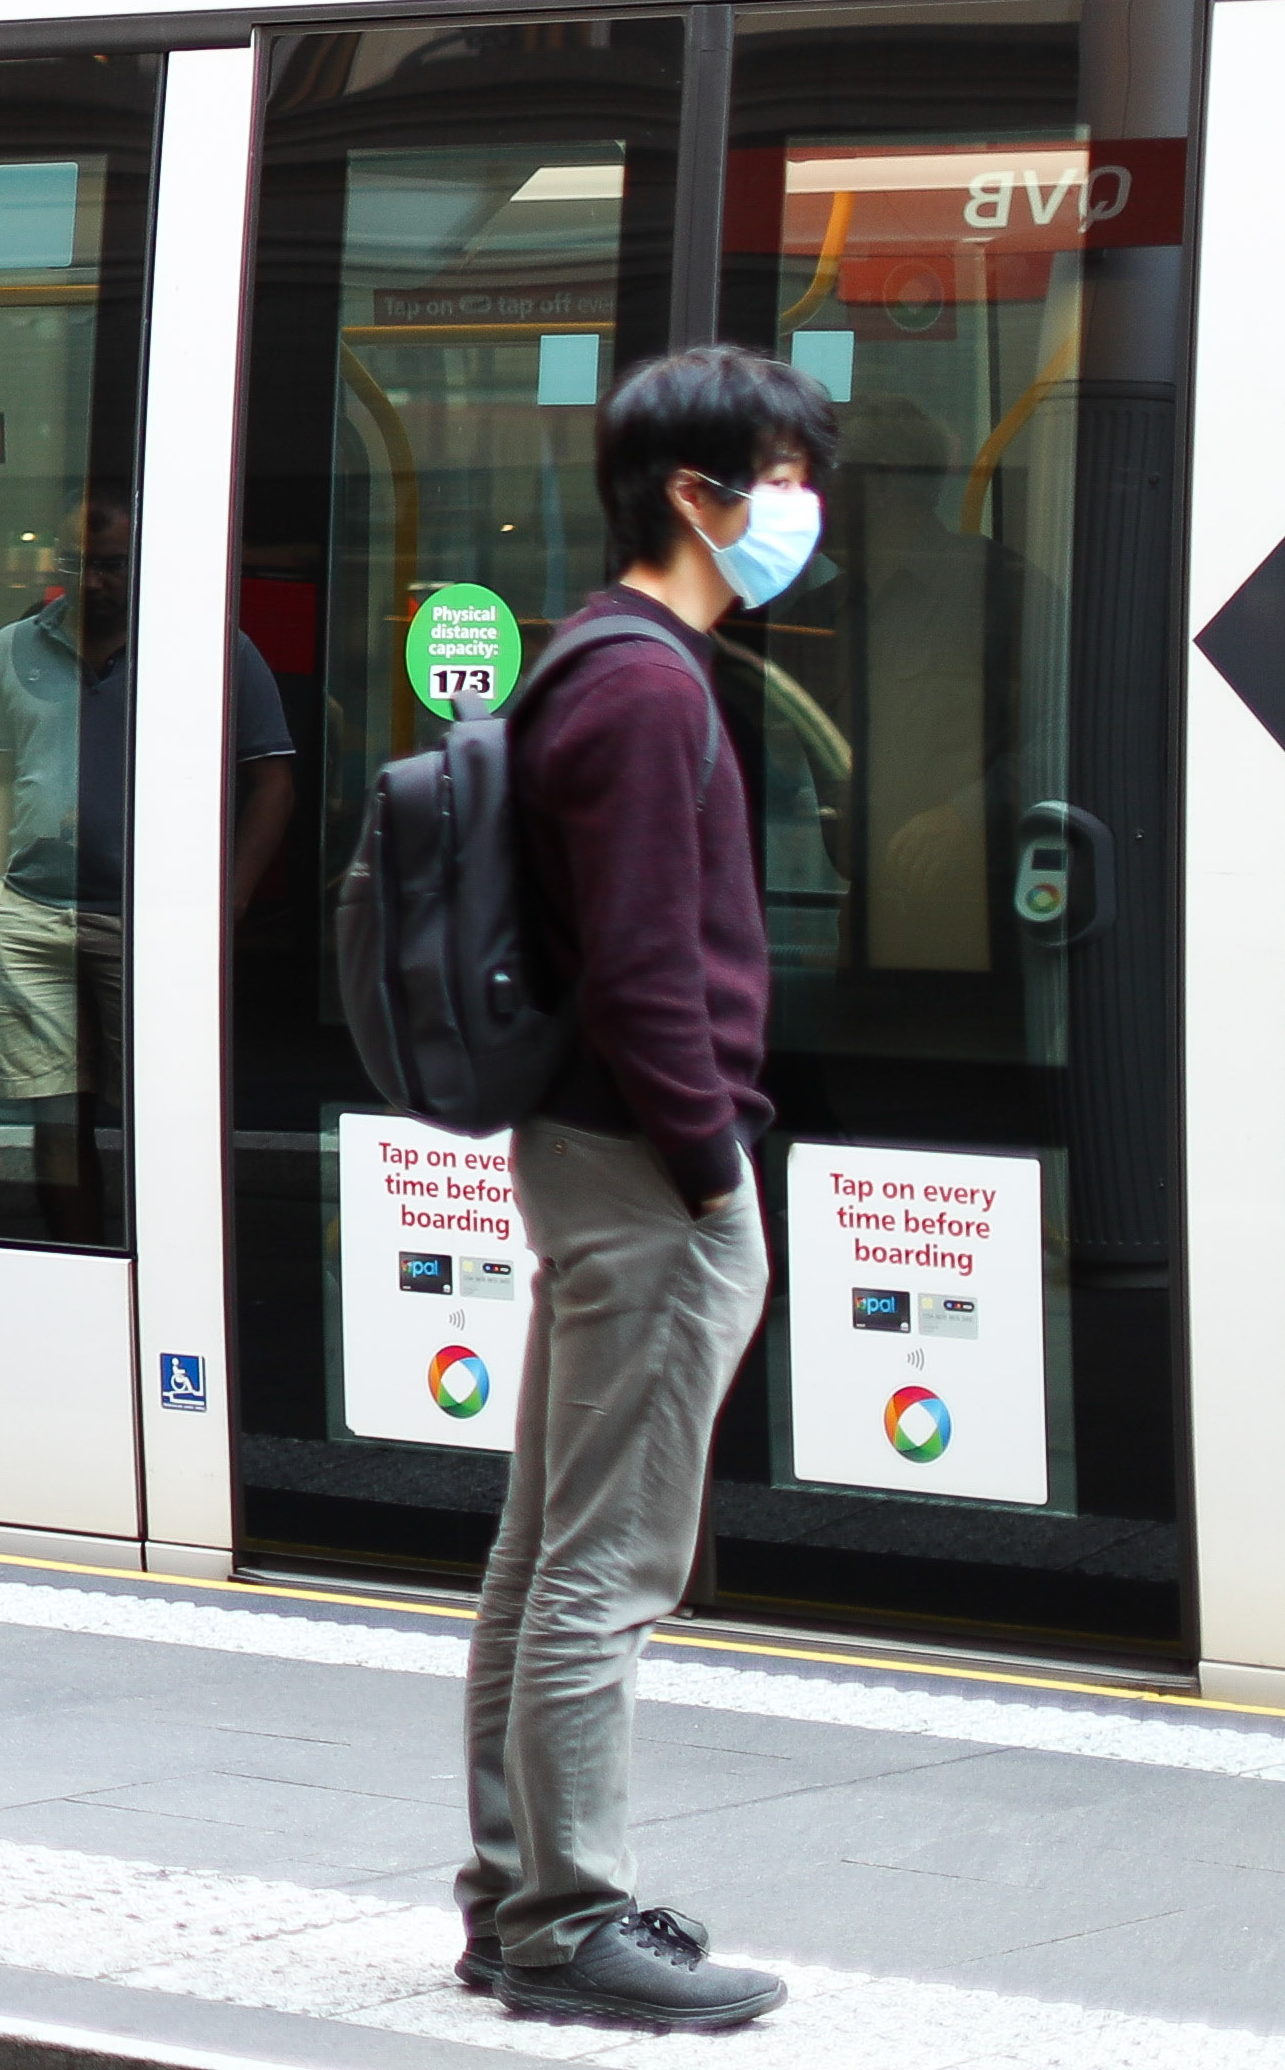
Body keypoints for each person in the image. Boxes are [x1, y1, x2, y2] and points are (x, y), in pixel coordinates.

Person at [453, 344, 831, 2032]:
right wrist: (710, 1169)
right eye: (780, 475)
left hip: (598, 1161)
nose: (796, 512)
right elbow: (640, 969)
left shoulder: (594, 663)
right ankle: (562, 1921)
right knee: (603, 1568)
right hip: (641, 1172)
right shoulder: (644, 682)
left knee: (543, 1556)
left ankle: (514, 1895)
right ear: (698, 494)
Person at [0, 501, 297, 1222]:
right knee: (53, 1117)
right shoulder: (11, 648)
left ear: (143, 565)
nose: (93, 581)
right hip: (33, 912)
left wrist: (228, 904)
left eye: (111, 564)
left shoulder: (210, 647)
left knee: (160, 1120)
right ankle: (75, 1268)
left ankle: (165, 1278)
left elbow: (273, 783)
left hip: (153, 921)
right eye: (76, 563)